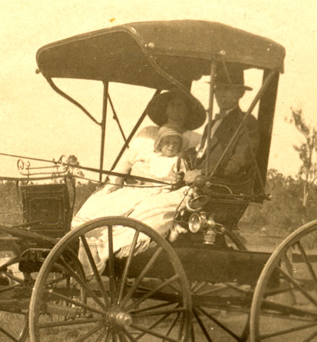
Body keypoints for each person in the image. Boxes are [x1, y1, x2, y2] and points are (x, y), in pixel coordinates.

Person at [72, 89, 205, 229]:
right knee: (99, 205)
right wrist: (113, 183)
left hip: (162, 190)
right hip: (133, 186)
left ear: (188, 111)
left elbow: (190, 168)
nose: (176, 109)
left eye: (181, 106)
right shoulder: (148, 132)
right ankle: (85, 240)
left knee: (142, 214)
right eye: (172, 105)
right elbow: (126, 162)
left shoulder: (194, 139)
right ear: (165, 109)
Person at [183, 65, 261, 194]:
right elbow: (201, 155)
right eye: (218, 89)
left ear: (239, 94)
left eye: (226, 89)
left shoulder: (246, 121)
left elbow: (239, 163)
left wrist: (202, 172)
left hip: (220, 188)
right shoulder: (211, 124)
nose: (220, 94)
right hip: (198, 184)